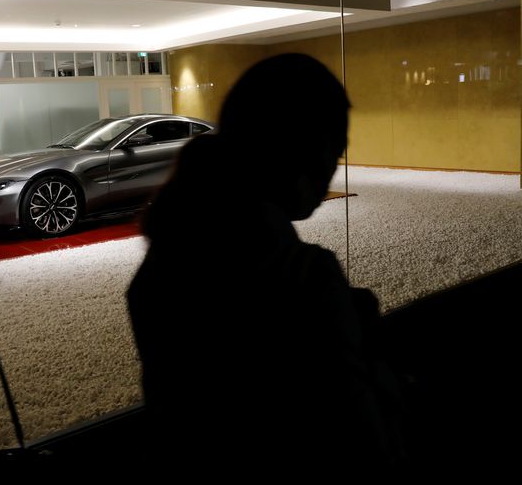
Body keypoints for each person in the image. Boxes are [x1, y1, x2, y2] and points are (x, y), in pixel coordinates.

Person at [127, 54, 407, 479]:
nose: (334, 168)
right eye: (335, 150)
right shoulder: (303, 276)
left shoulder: (166, 258)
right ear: (305, 151)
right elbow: (363, 451)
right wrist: (362, 340)